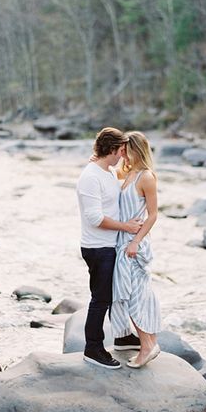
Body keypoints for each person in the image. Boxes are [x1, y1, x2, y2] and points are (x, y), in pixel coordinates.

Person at [76, 127, 142, 369]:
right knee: (100, 299)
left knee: (115, 295)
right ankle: (92, 348)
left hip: (109, 245)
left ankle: (123, 337)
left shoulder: (108, 171)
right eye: (122, 150)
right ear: (112, 149)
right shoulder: (90, 177)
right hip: (97, 248)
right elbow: (94, 218)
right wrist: (126, 227)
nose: (124, 155)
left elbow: (127, 179)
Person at [112, 131, 162, 368]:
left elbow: (152, 215)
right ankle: (150, 342)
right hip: (123, 242)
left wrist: (135, 242)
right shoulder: (128, 172)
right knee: (130, 293)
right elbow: (111, 173)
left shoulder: (146, 177)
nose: (122, 153)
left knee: (133, 296)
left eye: (125, 148)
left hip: (134, 245)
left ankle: (147, 346)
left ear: (135, 149)